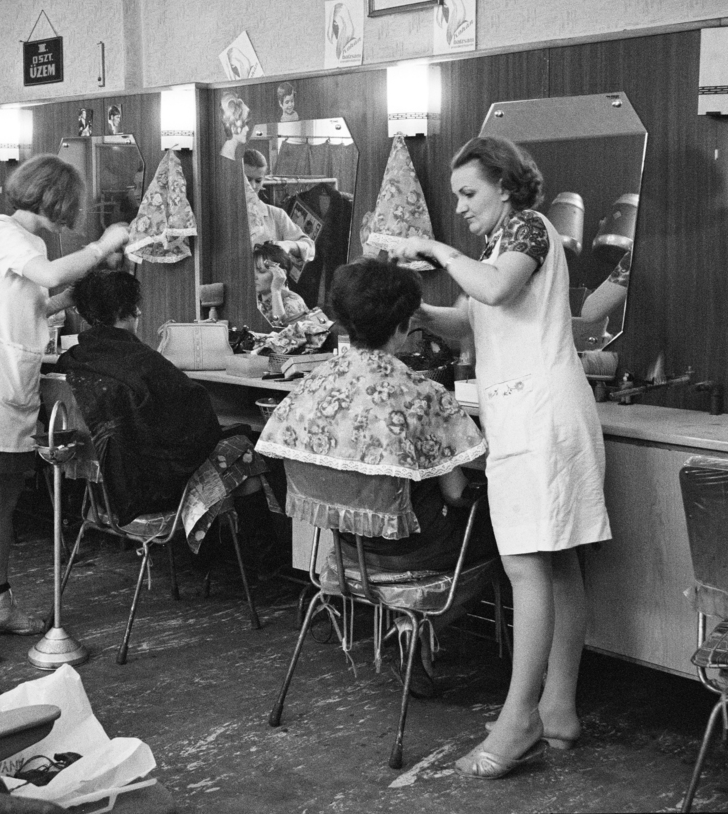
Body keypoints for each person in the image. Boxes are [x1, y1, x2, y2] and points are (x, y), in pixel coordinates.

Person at [394, 135, 611, 779]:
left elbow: (492, 291)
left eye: (468, 193)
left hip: (539, 418)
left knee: (526, 570)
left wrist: (436, 250)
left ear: (507, 187)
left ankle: (518, 723)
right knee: (561, 566)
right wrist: (416, 311)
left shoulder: (529, 230)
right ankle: (559, 709)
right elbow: (473, 319)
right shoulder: (497, 243)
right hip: (536, 414)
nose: (459, 206)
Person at [0, 154, 132, 666]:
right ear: (56, 198)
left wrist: (71, 294)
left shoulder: (30, 244)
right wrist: (100, 246)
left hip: (9, 383)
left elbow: (28, 301)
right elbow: (44, 273)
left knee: (4, 498)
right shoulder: (2, 235)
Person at [255, 258, 487, 694]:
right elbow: (456, 494)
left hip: (345, 549)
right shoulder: (424, 394)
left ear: (343, 322)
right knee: (493, 529)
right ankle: (417, 623)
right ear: (403, 326)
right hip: (413, 556)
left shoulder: (310, 385)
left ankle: (405, 623)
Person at [57, 268, 262, 537]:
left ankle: (220, 555)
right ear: (123, 309)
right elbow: (200, 427)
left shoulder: (76, 356)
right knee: (244, 449)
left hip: (105, 490)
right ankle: (258, 562)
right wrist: (238, 429)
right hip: (148, 492)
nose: (140, 313)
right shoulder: (143, 362)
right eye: (134, 307)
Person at [243, 149, 316, 263]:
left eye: (258, 180)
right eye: (247, 180)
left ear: (264, 180)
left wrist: (289, 245)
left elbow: (310, 247)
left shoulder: (276, 215)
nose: (252, 186)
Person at [254, 243, 309, 328]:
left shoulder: (291, 304)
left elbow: (281, 333)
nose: (254, 276)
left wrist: (276, 291)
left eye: (261, 271)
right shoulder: (257, 298)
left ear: (280, 274)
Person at [219, 91, 251, 160]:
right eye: (244, 124)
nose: (247, 129)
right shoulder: (227, 156)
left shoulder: (230, 153)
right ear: (234, 127)